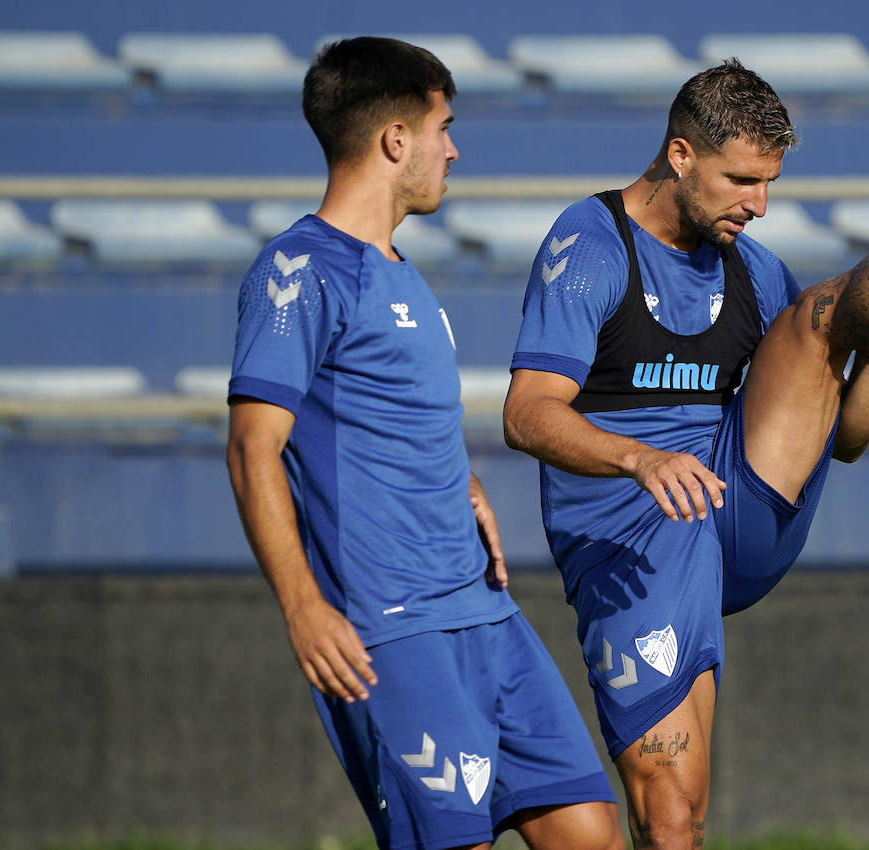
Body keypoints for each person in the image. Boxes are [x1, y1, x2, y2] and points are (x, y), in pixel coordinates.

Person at [502, 61, 869, 849]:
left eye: (768, 183)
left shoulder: (754, 270)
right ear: (679, 156)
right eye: (740, 180)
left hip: (741, 509)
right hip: (637, 544)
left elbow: (846, 443)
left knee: (817, 320)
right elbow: (527, 415)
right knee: (675, 820)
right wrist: (641, 460)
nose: (759, 206)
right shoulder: (592, 245)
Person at [225, 37, 624, 850]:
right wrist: (304, 607)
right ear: (395, 139)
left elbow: (386, 415)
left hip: (484, 614)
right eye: (443, 125)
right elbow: (251, 446)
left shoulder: (400, 270)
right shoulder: (299, 269)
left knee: (589, 833)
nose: (453, 147)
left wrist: (462, 481)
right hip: (391, 631)